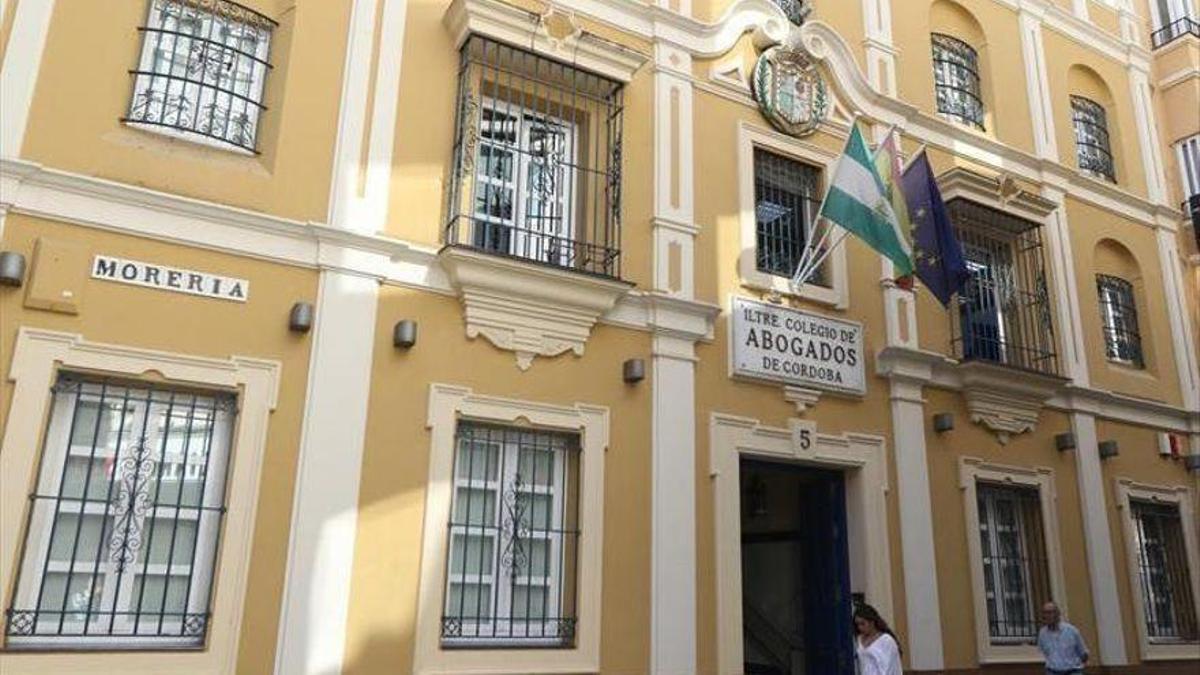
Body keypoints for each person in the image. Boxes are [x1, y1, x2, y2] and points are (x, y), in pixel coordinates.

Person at [1037, 601, 1089, 675]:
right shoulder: (1042, 633)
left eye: (1050, 612)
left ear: (1058, 614)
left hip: (1072, 671)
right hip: (1052, 671)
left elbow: (1084, 653)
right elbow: (1043, 653)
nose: (1047, 616)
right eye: (1044, 613)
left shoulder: (1071, 631)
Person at [854, 603, 902, 675]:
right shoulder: (859, 639)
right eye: (857, 624)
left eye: (863, 624)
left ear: (872, 622)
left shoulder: (886, 640)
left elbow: (889, 667)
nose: (860, 627)